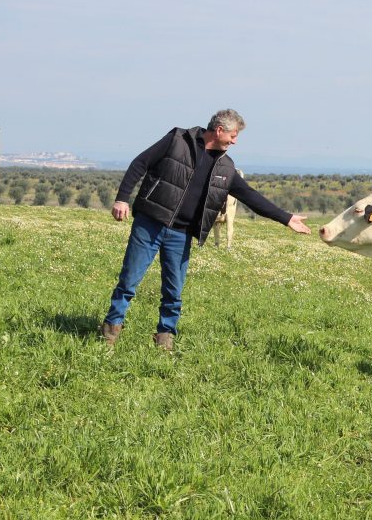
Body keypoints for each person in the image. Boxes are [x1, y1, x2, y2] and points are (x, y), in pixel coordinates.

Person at [100, 109, 311, 349]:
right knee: (129, 281)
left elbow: (251, 197)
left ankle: (165, 337)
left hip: (180, 234)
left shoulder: (226, 167)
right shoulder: (178, 140)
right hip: (150, 223)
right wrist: (122, 199)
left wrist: (286, 218)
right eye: (233, 135)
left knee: (173, 291)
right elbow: (140, 163)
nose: (235, 141)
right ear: (219, 130)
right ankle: (110, 331)